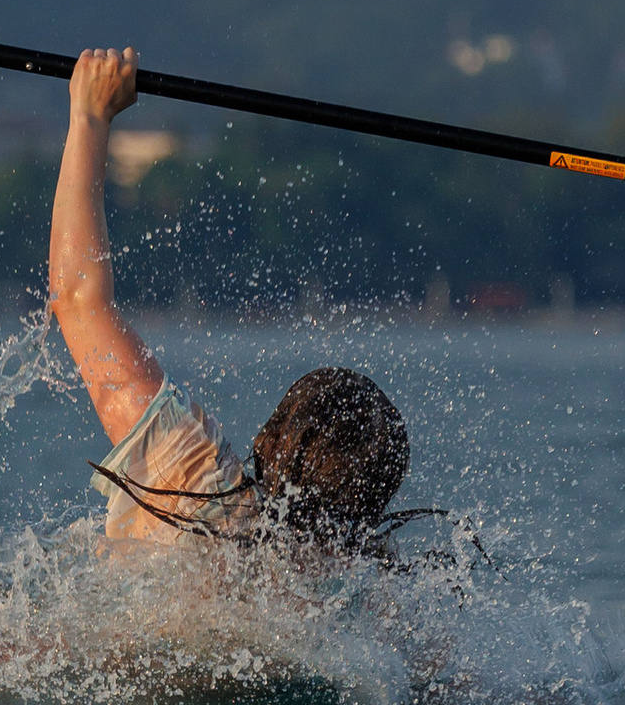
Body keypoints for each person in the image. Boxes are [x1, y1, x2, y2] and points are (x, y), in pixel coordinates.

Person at [49, 46, 412, 553]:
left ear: (268, 437)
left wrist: (90, 115)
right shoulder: (379, 593)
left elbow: (78, 301)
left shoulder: (198, 486)